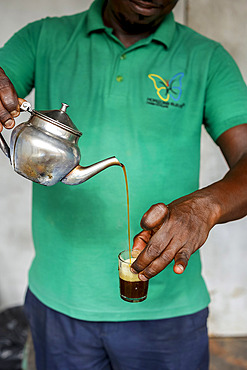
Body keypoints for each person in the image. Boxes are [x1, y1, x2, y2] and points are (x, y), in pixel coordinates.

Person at [0, 0, 247, 369]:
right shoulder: (44, 38)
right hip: (60, 307)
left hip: (168, 317)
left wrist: (204, 207)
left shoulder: (206, 58)